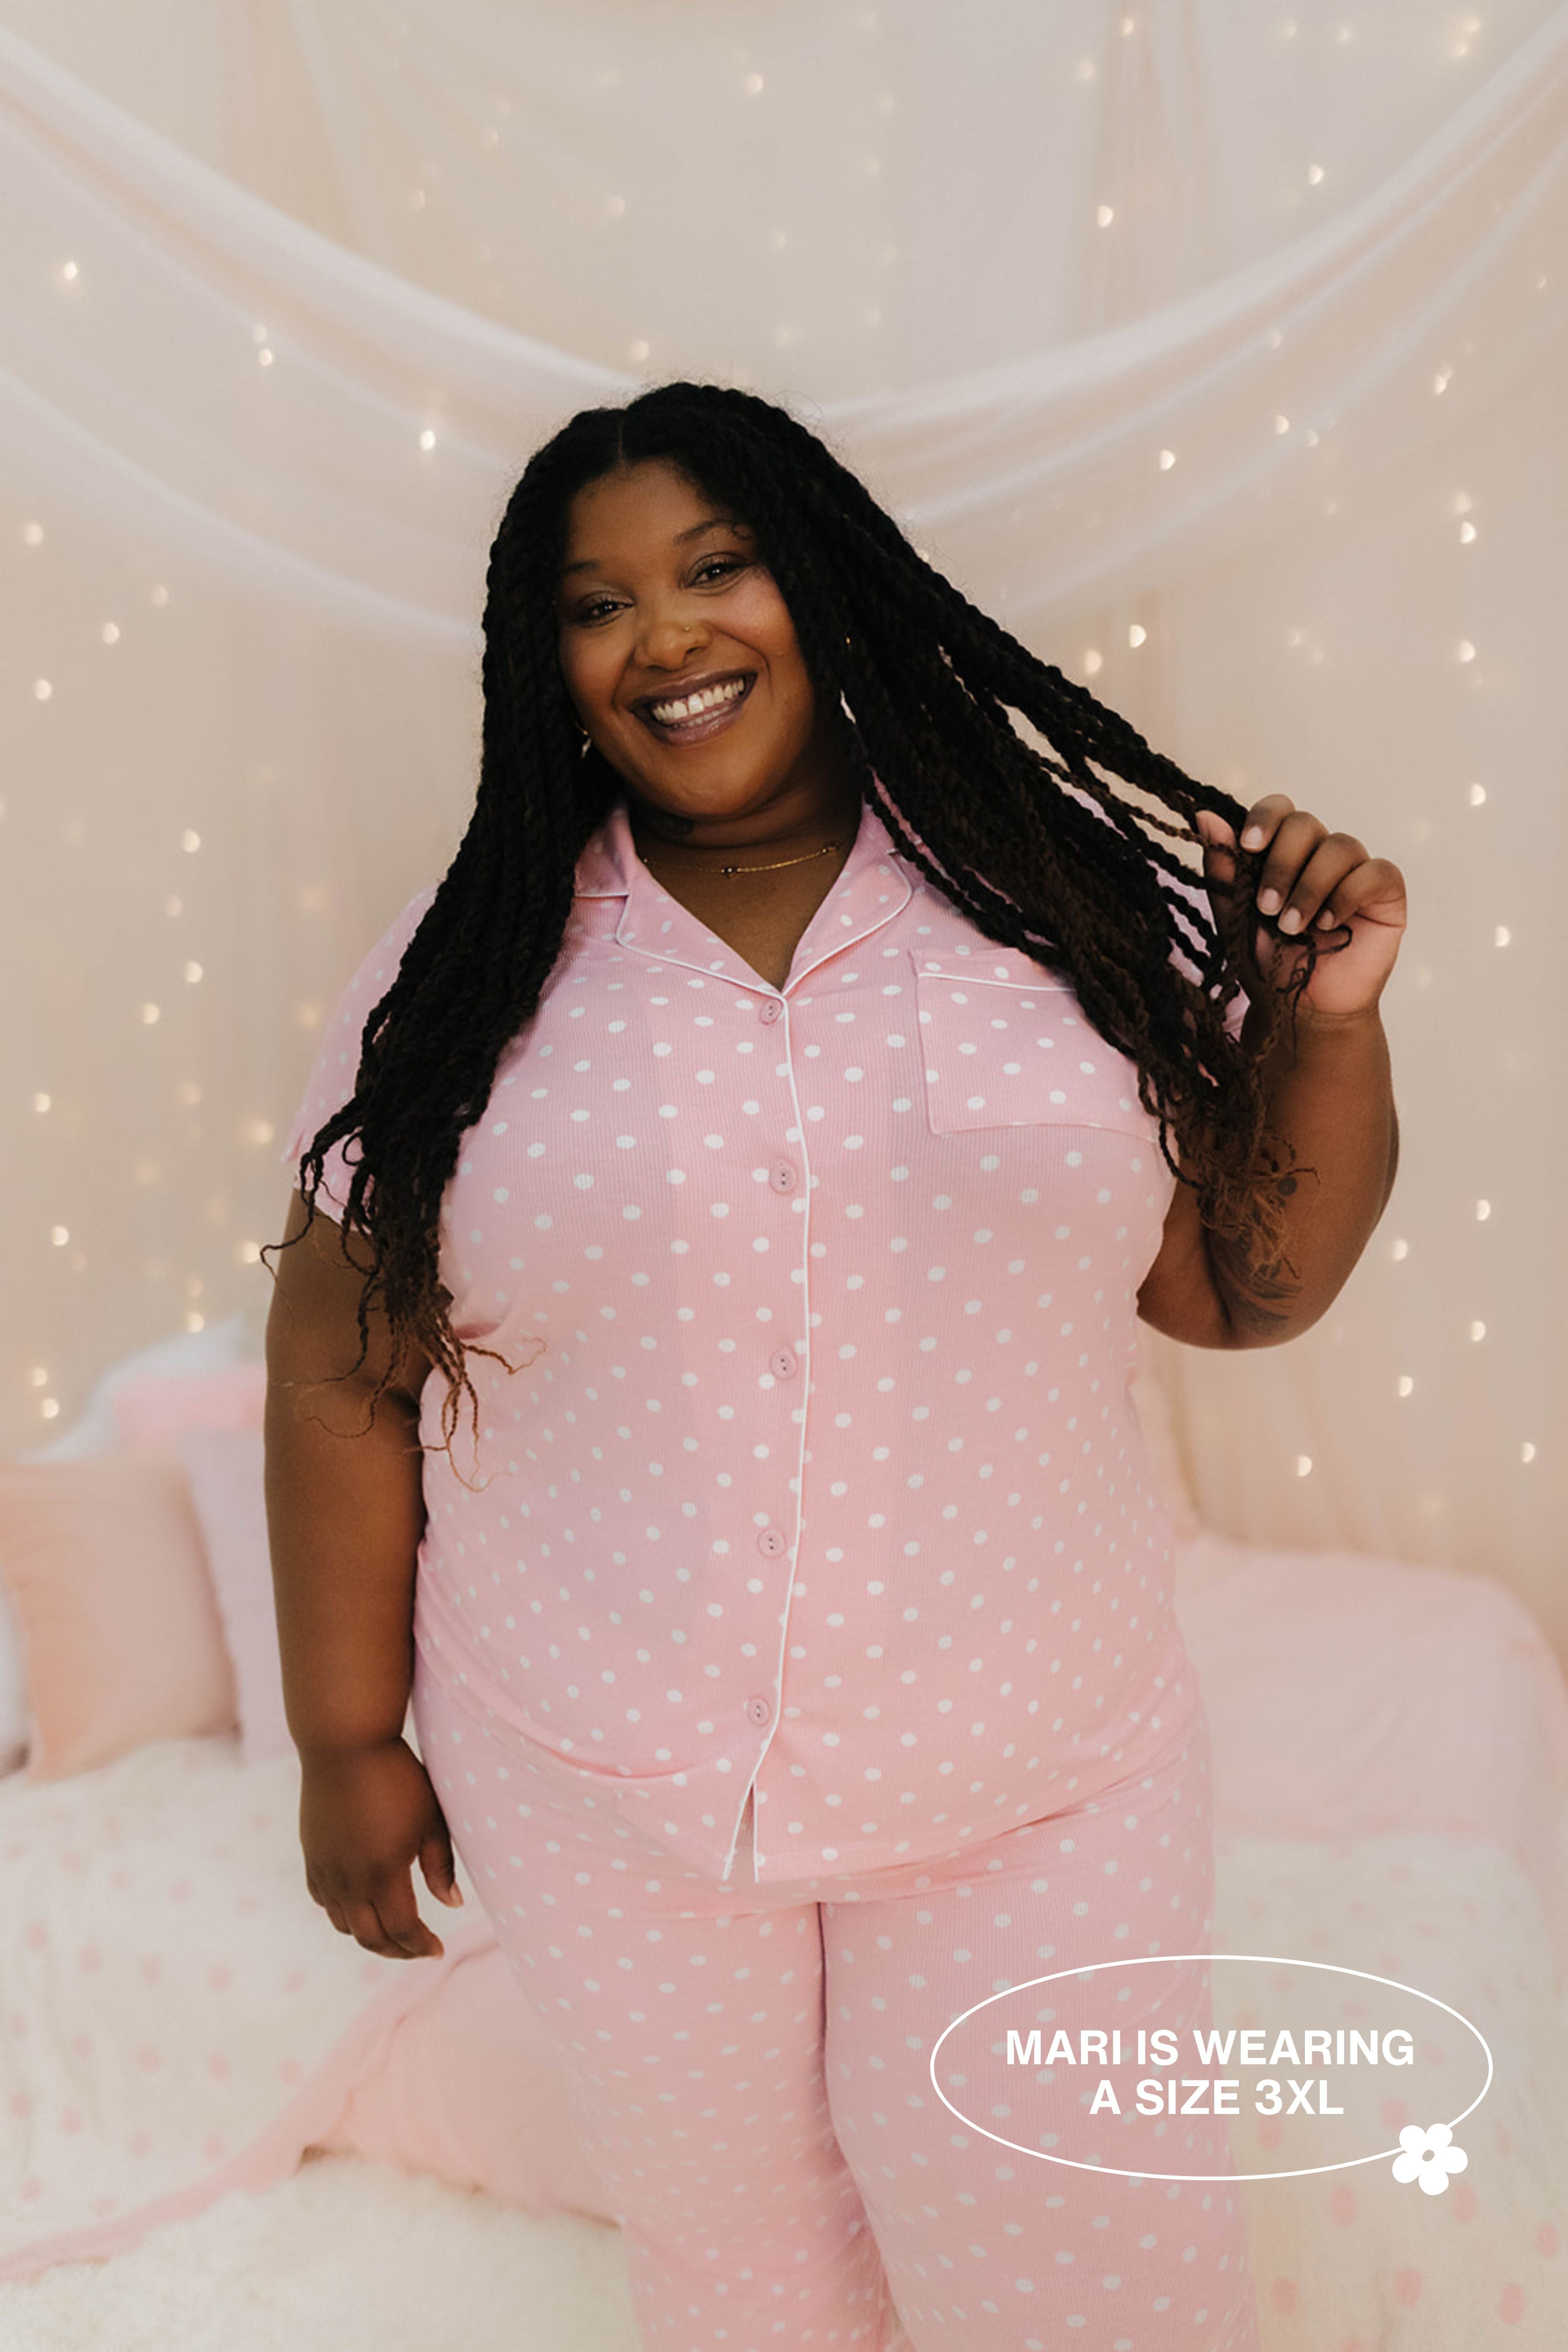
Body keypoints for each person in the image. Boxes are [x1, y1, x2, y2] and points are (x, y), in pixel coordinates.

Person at [264, 380, 1404, 2351]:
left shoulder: (1064, 910)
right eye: (597, 604)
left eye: (719, 566)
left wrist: (1320, 1021)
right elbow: (335, 1373)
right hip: (607, 1781)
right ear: (549, 669)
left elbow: (1242, 1293)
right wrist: (345, 1741)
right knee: (745, 2279)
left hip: (1032, 1771)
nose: (669, 635)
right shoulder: (453, 987)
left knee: (1079, 2267)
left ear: (828, 583)